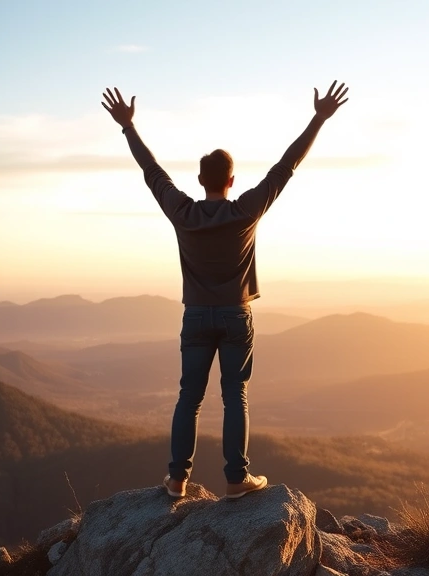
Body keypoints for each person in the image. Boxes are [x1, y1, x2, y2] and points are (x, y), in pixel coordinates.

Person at [100, 81, 349, 499]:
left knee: (189, 399)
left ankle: (177, 480)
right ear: (232, 180)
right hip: (237, 315)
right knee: (235, 396)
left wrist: (128, 127)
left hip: (196, 316)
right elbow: (285, 167)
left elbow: (152, 171)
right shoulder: (246, 211)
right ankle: (237, 479)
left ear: (200, 179)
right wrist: (319, 119)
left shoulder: (183, 212)